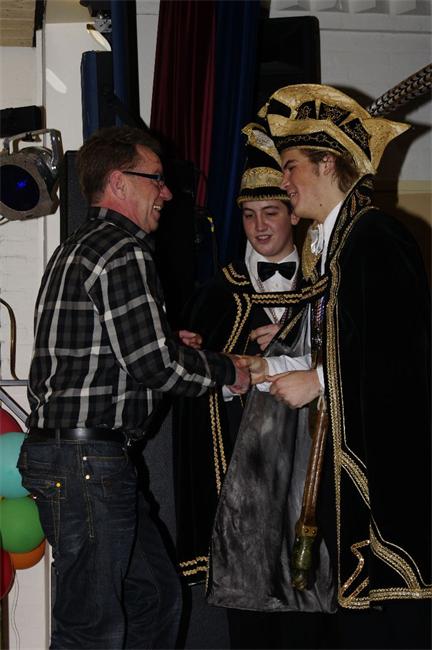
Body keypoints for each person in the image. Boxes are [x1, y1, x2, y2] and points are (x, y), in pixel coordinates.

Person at [206, 85, 431, 649]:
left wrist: (319, 381)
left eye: (290, 167)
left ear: (328, 164)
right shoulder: (339, 242)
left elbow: (403, 353)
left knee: (391, 629)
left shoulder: (374, 236)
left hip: (385, 481)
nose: (283, 182)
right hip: (348, 476)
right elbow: (347, 343)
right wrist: (270, 364)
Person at [17, 125, 249, 650]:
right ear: (119, 182)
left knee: (156, 598)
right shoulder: (123, 250)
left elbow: (99, 351)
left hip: (76, 458)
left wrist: (165, 339)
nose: (166, 192)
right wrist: (231, 370)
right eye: (156, 179)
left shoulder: (78, 248)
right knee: (90, 628)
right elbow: (155, 366)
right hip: (88, 463)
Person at [173, 127, 304, 647]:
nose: (259, 227)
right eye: (249, 216)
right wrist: (233, 378)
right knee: (250, 615)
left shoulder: (325, 288)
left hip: (310, 474)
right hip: (243, 479)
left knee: (312, 610)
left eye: (270, 213)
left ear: (294, 214)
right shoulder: (215, 296)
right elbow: (191, 394)